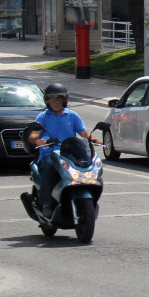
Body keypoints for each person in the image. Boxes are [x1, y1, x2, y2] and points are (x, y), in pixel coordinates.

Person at [27, 83, 99, 218]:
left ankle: (81, 194)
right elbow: (33, 134)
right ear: (47, 100)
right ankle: (46, 204)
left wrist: (94, 139)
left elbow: (83, 132)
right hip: (49, 153)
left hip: (69, 154)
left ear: (65, 99)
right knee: (49, 165)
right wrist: (37, 140)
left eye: (59, 98)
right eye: (52, 98)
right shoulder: (43, 116)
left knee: (86, 166)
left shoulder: (72, 115)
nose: (56, 101)